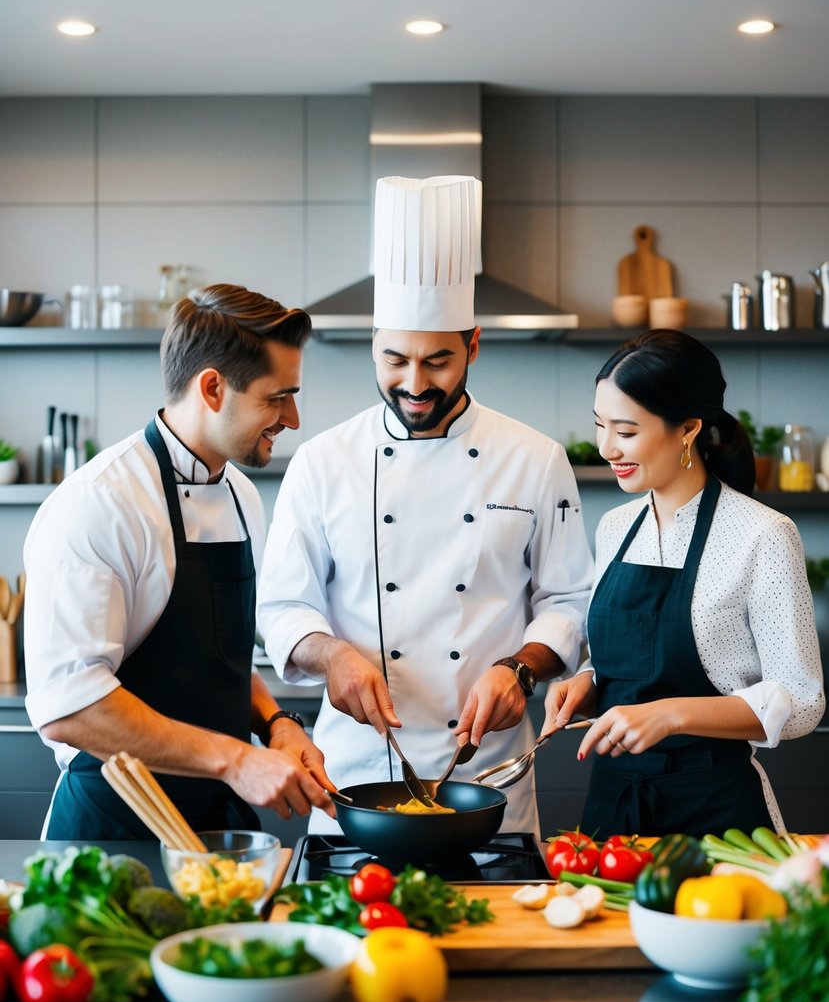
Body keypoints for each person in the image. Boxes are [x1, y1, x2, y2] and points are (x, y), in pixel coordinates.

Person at [258, 176, 594, 835]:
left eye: (437, 360)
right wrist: (331, 655)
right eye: (394, 359)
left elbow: (570, 604)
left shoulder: (534, 458)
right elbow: (281, 606)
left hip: (487, 779)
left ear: (472, 345)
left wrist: (519, 672)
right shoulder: (324, 461)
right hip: (352, 776)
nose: (413, 385)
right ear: (372, 347)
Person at [24, 283, 336, 841]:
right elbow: (68, 706)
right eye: (276, 397)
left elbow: (213, 662)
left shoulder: (241, 494)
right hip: (113, 832)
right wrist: (235, 759)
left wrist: (275, 723)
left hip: (212, 830)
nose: (292, 417)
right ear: (213, 388)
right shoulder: (99, 504)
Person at [543, 328, 825, 837]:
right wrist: (587, 683)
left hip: (714, 814)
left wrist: (672, 715)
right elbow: (624, 660)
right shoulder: (615, 527)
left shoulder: (763, 534)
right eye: (599, 426)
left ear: (688, 429)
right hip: (613, 809)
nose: (607, 448)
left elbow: (802, 701)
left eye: (625, 432)